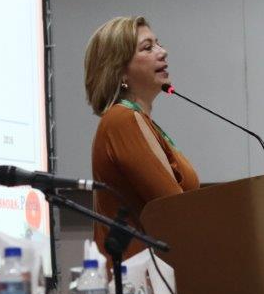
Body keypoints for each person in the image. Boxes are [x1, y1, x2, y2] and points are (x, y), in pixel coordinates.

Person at [83, 15, 199, 259]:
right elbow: (173, 208)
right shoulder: (122, 121)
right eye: (148, 48)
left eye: (159, 43)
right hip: (137, 277)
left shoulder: (141, 121)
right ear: (120, 71)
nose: (163, 52)